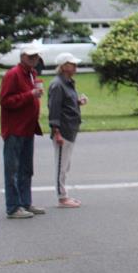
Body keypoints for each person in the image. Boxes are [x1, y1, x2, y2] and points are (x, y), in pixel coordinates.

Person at [0, 43, 47, 219]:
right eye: (30, 56)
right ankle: (13, 207)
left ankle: (25, 202)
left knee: (26, 169)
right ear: (22, 57)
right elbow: (5, 101)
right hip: (15, 128)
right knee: (12, 170)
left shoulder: (32, 74)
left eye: (36, 56)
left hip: (28, 128)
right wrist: (30, 95)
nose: (34, 59)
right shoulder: (13, 74)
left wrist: (34, 96)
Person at [47, 52, 87, 208]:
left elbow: (66, 103)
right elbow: (54, 109)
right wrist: (56, 131)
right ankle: (62, 197)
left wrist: (78, 102)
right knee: (61, 166)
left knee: (65, 164)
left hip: (70, 129)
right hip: (63, 130)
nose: (75, 66)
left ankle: (64, 195)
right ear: (63, 66)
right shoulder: (57, 85)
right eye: (72, 64)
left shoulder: (68, 83)